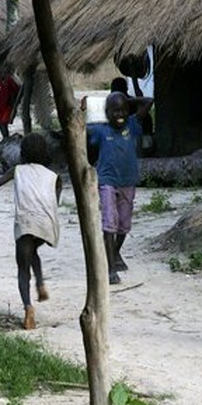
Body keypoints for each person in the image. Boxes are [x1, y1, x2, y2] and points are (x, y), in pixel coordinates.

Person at [0, 133, 61, 331]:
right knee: (34, 251)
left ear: (23, 152)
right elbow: (54, 201)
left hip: (25, 222)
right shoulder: (54, 177)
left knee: (23, 268)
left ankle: (28, 308)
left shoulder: (18, 170)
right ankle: (40, 283)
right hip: (46, 224)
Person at [84, 78, 153, 285]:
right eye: (114, 111)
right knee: (110, 223)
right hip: (107, 181)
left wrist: (128, 100)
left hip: (128, 181)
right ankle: (111, 270)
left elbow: (149, 101)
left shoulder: (132, 125)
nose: (120, 115)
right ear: (106, 113)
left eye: (123, 110)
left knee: (124, 225)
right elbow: (79, 130)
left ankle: (113, 253)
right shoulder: (100, 130)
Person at [0, 66, 20, 139]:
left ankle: (6, 138)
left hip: (8, 105)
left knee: (3, 124)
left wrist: (15, 103)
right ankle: (6, 138)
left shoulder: (9, 79)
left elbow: (17, 90)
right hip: (1, 105)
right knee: (1, 124)